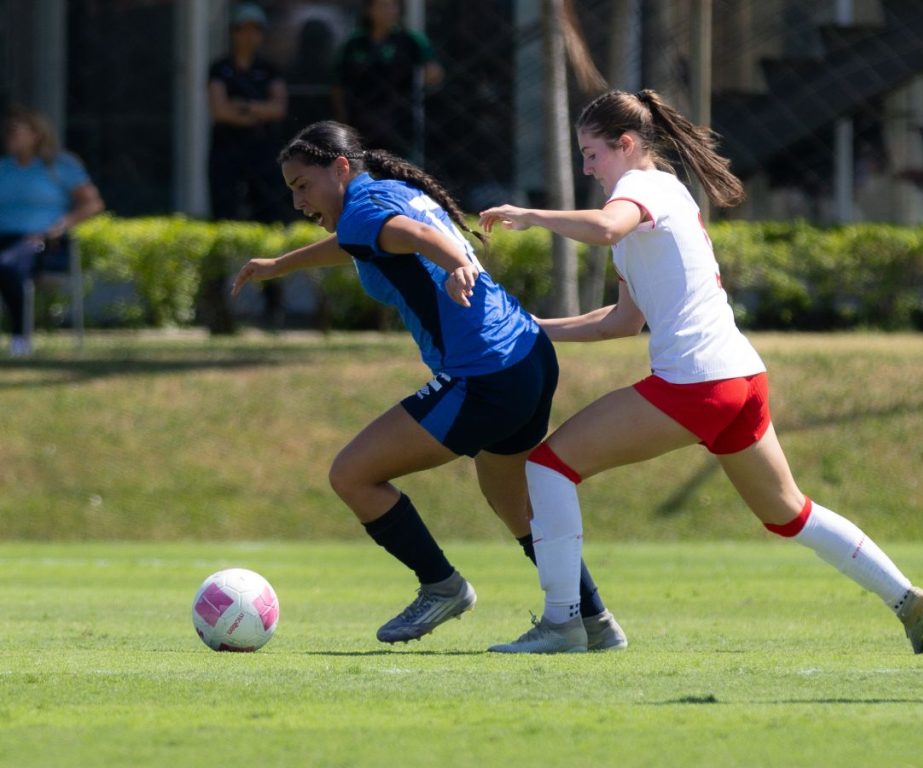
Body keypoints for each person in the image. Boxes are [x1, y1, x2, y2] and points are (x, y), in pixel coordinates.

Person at [481, 89, 923, 655]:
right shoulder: (649, 199)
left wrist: (529, 214)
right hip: (739, 379)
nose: (586, 166)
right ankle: (909, 600)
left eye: (592, 153)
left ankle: (564, 623)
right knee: (789, 513)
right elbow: (623, 321)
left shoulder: (640, 189)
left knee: (549, 467)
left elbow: (605, 228)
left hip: (697, 382)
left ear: (626, 145)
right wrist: (532, 327)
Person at [230, 120, 626, 650]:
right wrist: (279, 265)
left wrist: (459, 263)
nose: (299, 201)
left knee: (352, 475)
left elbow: (417, 238)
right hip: (528, 356)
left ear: (341, 168)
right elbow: (362, 244)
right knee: (512, 501)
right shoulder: (386, 197)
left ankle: (442, 586)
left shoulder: (367, 211)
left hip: (485, 374)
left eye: (303, 186)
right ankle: (592, 621)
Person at [208, 2, 290, 329]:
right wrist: (257, 110)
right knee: (224, 222)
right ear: (233, 33)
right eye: (243, 29)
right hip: (227, 155)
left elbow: (279, 107)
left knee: (268, 223)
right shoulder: (220, 69)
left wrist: (243, 107)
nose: (249, 36)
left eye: (256, 30)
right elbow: (219, 109)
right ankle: (221, 305)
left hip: (262, 155)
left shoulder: (269, 70)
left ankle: (273, 303)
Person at [0, 105, 104, 357]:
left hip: (42, 241)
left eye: (16, 130)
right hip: (4, 237)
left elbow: (93, 203)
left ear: (36, 135)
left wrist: (60, 226)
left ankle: (20, 339)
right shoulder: (3, 167)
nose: (9, 135)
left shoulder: (60, 166)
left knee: (7, 264)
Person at [331, 0, 443, 162]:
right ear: (369, 10)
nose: (388, 11)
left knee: (399, 169)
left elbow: (434, 73)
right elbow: (338, 85)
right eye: (382, 6)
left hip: (399, 123)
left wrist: (425, 82)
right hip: (360, 122)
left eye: (393, 6)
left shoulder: (410, 39)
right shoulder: (354, 43)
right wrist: (342, 120)